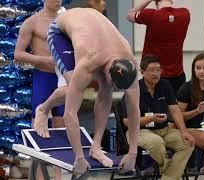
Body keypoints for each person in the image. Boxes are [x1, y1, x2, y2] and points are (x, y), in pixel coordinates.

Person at [35, 8, 140, 175]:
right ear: (107, 70)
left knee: (105, 88)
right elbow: (69, 113)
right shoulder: (89, 60)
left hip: (95, 34)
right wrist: (79, 157)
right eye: (114, 83)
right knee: (73, 89)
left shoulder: (130, 64)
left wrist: (132, 152)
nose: (113, 88)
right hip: (61, 32)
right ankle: (43, 108)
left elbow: (135, 110)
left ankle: (95, 147)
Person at [14, 0, 65, 179]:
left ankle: (59, 175)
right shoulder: (32, 22)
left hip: (63, 77)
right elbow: (18, 54)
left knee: (62, 124)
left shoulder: (67, 20)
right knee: (38, 123)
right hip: (43, 77)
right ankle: (38, 176)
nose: (58, 0)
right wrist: (42, 60)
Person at [122, 55, 194, 180]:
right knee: (156, 142)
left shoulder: (164, 85)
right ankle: (169, 169)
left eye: (158, 70)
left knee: (188, 143)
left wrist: (183, 131)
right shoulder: (133, 90)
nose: (156, 73)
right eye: (152, 70)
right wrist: (151, 119)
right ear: (142, 72)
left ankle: (167, 177)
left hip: (164, 130)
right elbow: (128, 122)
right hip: (139, 131)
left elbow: (175, 109)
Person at [127, 0, 190, 94]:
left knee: (154, 108)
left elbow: (130, 15)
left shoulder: (151, 15)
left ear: (156, 2)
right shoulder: (185, 14)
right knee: (177, 108)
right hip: (178, 75)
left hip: (154, 75)